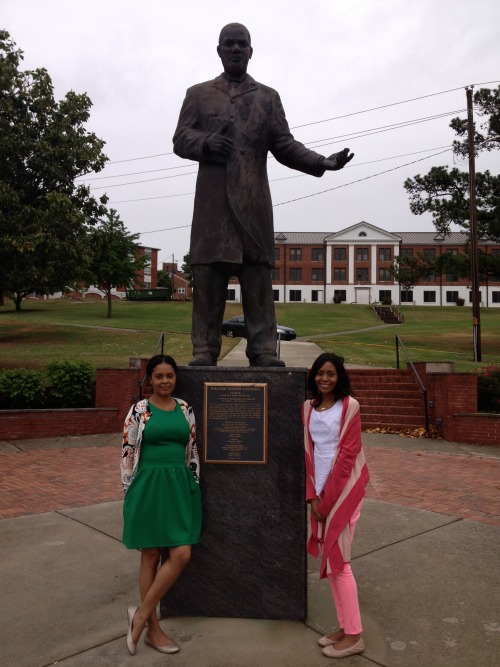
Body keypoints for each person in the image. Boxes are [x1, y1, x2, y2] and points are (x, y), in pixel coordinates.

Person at [173, 23, 353, 368]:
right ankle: (204, 350)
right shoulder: (198, 94)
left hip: (254, 205)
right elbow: (181, 139)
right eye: (230, 44)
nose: (236, 49)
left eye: (242, 44)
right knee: (208, 278)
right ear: (220, 50)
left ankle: (263, 349)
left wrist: (321, 162)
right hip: (212, 208)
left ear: (251, 51)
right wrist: (207, 144)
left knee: (257, 277)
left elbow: (284, 144)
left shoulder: (267, 97)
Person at [120, 354, 201, 656]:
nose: (165, 381)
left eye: (169, 376)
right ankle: (153, 630)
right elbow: (127, 453)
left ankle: (139, 614)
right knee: (151, 555)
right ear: (149, 379)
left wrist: (193, 484)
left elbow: (193, 450)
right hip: (147, 487)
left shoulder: (185, 409)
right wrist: (129, 493)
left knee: (181, 553)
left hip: (179, 486)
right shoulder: (139, 410)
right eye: (158, 376)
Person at [302, 352, 370, 659]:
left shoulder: (349, 407)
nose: (325, 378)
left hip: (343, 493)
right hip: (320, 494)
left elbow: (346, 460)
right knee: (333, 563)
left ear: (339, 377)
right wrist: (313, 496)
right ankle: (345, 628)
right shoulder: (308, 408)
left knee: (340, 564)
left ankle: (355, 636)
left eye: (331, 373)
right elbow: (308, 455)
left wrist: (327, 502)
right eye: (320, 373)